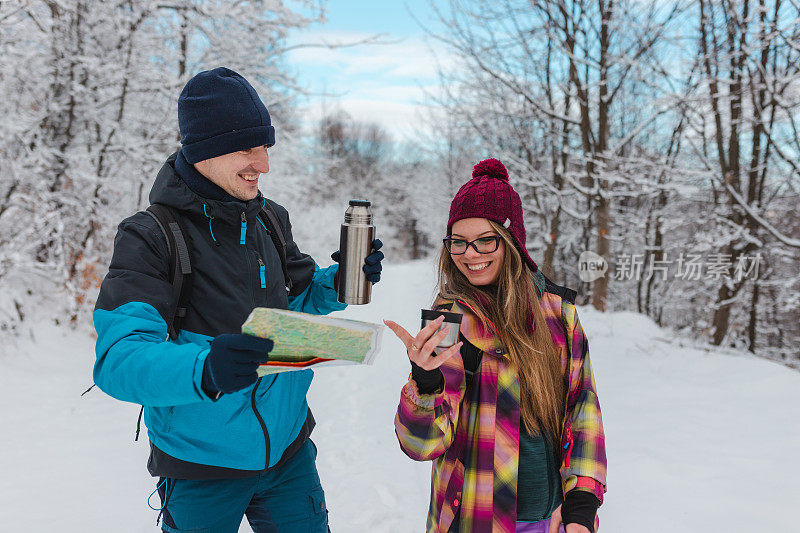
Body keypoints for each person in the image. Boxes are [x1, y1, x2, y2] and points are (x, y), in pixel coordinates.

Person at [92, 67, 384, 532]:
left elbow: (295, 310)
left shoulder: (269, 218)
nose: (263, 164)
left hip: (288, 456)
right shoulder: (150, 237)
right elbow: (119, 359)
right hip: (201, 469)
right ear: (204, 149)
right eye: (247, 149)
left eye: (265, 147)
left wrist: (337, 282)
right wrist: (204, 370)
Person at [384, 158, 606, 533]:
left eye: (486, 239)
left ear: (511, 242)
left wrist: (580, 506)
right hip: (471, 518)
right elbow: (422, 446)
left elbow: (582, 410)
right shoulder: (448, 318)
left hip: (547, 519)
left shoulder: (558, 314)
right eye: (459, 241)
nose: (470, 254)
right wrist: (425, 383)